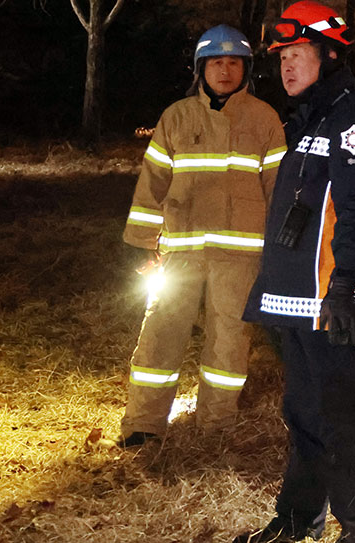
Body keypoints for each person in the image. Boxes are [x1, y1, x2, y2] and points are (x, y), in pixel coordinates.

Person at [234, 1, 355, 543]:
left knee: (346, 416)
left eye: (297, 54)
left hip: (333, 299)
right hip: (293, 301)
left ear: (328, 54)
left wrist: (346, 283)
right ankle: (299, 518)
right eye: (282, 58)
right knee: (303, 414)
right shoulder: (309, 120)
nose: (287, 67)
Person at [119, 24, 285, 448]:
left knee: (229, 342)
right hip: (181, 251)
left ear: (246, 69)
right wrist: (142, 246)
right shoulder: (175, 117)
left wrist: (281, 252)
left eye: (233, 63)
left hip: (241, 255)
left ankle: (215, 429)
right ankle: (143, 425)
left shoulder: (264, 119)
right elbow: (151, 185)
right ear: (201, 68)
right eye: (216, 62)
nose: (225, 70)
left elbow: (279, 189)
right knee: (160, 332)